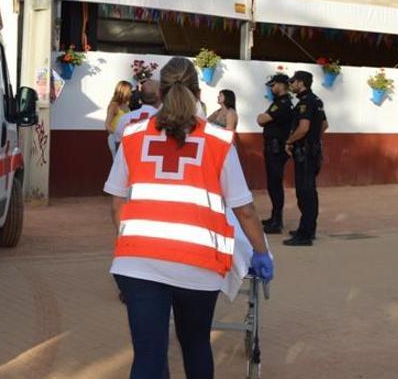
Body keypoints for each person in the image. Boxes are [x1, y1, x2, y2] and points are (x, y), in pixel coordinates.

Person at [104, 57, 273, 379]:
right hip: (198, 264)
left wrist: (128, 243)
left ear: (162, 90)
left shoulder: (134, 135)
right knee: (195, 345)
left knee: (148, 357)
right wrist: (261, 253)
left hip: (137, 263)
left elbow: (117, 204)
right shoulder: (218, 141)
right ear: (197, 91)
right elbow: (245, 210)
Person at [283, 70, 328, 247]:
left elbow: (303, 128)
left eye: (293, 82)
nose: (291, 85)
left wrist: (289, 141)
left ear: (301, 83)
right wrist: (315, 140)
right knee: (309, 191)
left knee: (305, 192)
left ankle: (305, 235)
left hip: (305, 153)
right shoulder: (316, 100)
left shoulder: (305, 102)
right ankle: (308, 228)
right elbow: (324, 124)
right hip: (313, 151)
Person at [256, 74, 294, 233]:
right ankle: (275, 217)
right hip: (273, 147)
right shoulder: (278, 103)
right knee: (273, 184)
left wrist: (261, 117)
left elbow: (261, 120)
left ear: (281, 85)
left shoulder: (282, 104)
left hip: (276, 149)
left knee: (275, 184)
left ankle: (277, 221)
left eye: (274, 85)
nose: (272, 88)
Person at [106, 80, 132, 157]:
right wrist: (118, 134)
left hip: (125, 139)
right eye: (130, 91)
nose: (131, 93)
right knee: (117, 164)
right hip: (115, 139)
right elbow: (107, 125)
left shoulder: (126, 105)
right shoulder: (114, 105)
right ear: (125, 91)